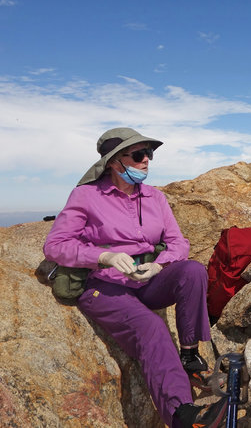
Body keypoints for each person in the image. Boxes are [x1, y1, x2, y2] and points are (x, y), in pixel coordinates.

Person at [43, 128, 227, 428]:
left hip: (146, 279)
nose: (147, 161)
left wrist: (158, 266)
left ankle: (190, 357)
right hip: (104, 285)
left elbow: (179, 243)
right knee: (152, 327)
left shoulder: (154, 197)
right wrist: (104, 257)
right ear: (115, 162)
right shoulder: (87, 196)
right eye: (139, 155)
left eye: (149, 154)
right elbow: (55, 245)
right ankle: (182, 415)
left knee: (192, 271)